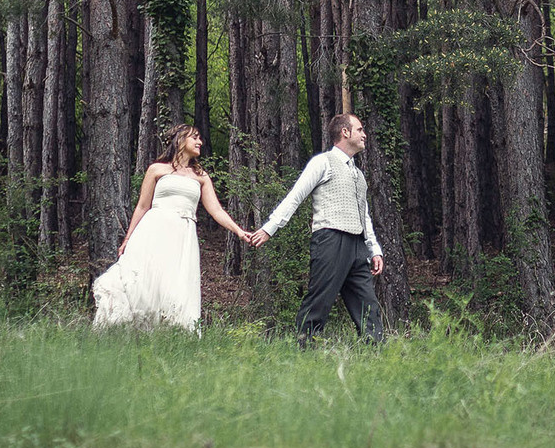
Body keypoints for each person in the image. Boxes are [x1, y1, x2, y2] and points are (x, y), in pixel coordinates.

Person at [93, 125, 257, 331]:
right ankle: (133, 332)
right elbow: (142, 206)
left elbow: (216, 210)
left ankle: (170, 333)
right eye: (195, 138)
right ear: (180, 140)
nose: (200, 142)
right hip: (154, 229)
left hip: (182, 236)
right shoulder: (156, 169)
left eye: (200, 139)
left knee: (174, 283)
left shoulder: (201, 176)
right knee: (143, 280)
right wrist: (127, 239)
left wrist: (239, 231)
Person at [260, 113, 385, 345]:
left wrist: (374, 249)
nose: (364, 134)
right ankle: (304, 349)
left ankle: (376, 353)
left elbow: (363, 214)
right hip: (330, 240)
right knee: (319, 300)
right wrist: (270, 228)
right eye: (359, 129)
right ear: (344, 132)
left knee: (368, 304)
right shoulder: (322, 162)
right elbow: (295, 196)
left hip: (358, 247)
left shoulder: (358, 175)